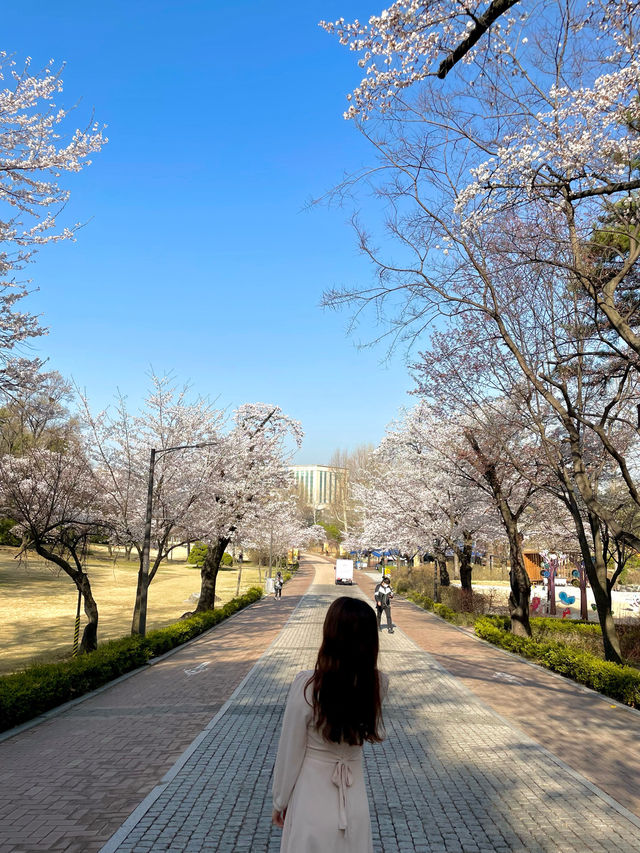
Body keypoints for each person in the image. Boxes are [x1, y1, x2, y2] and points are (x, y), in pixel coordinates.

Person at [272, 597, 388, 852]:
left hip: (310, 799)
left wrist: (280, 800)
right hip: (354, 802)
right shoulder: (377, 685)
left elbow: (290, 750)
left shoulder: (307, 686)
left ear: (330, 634)